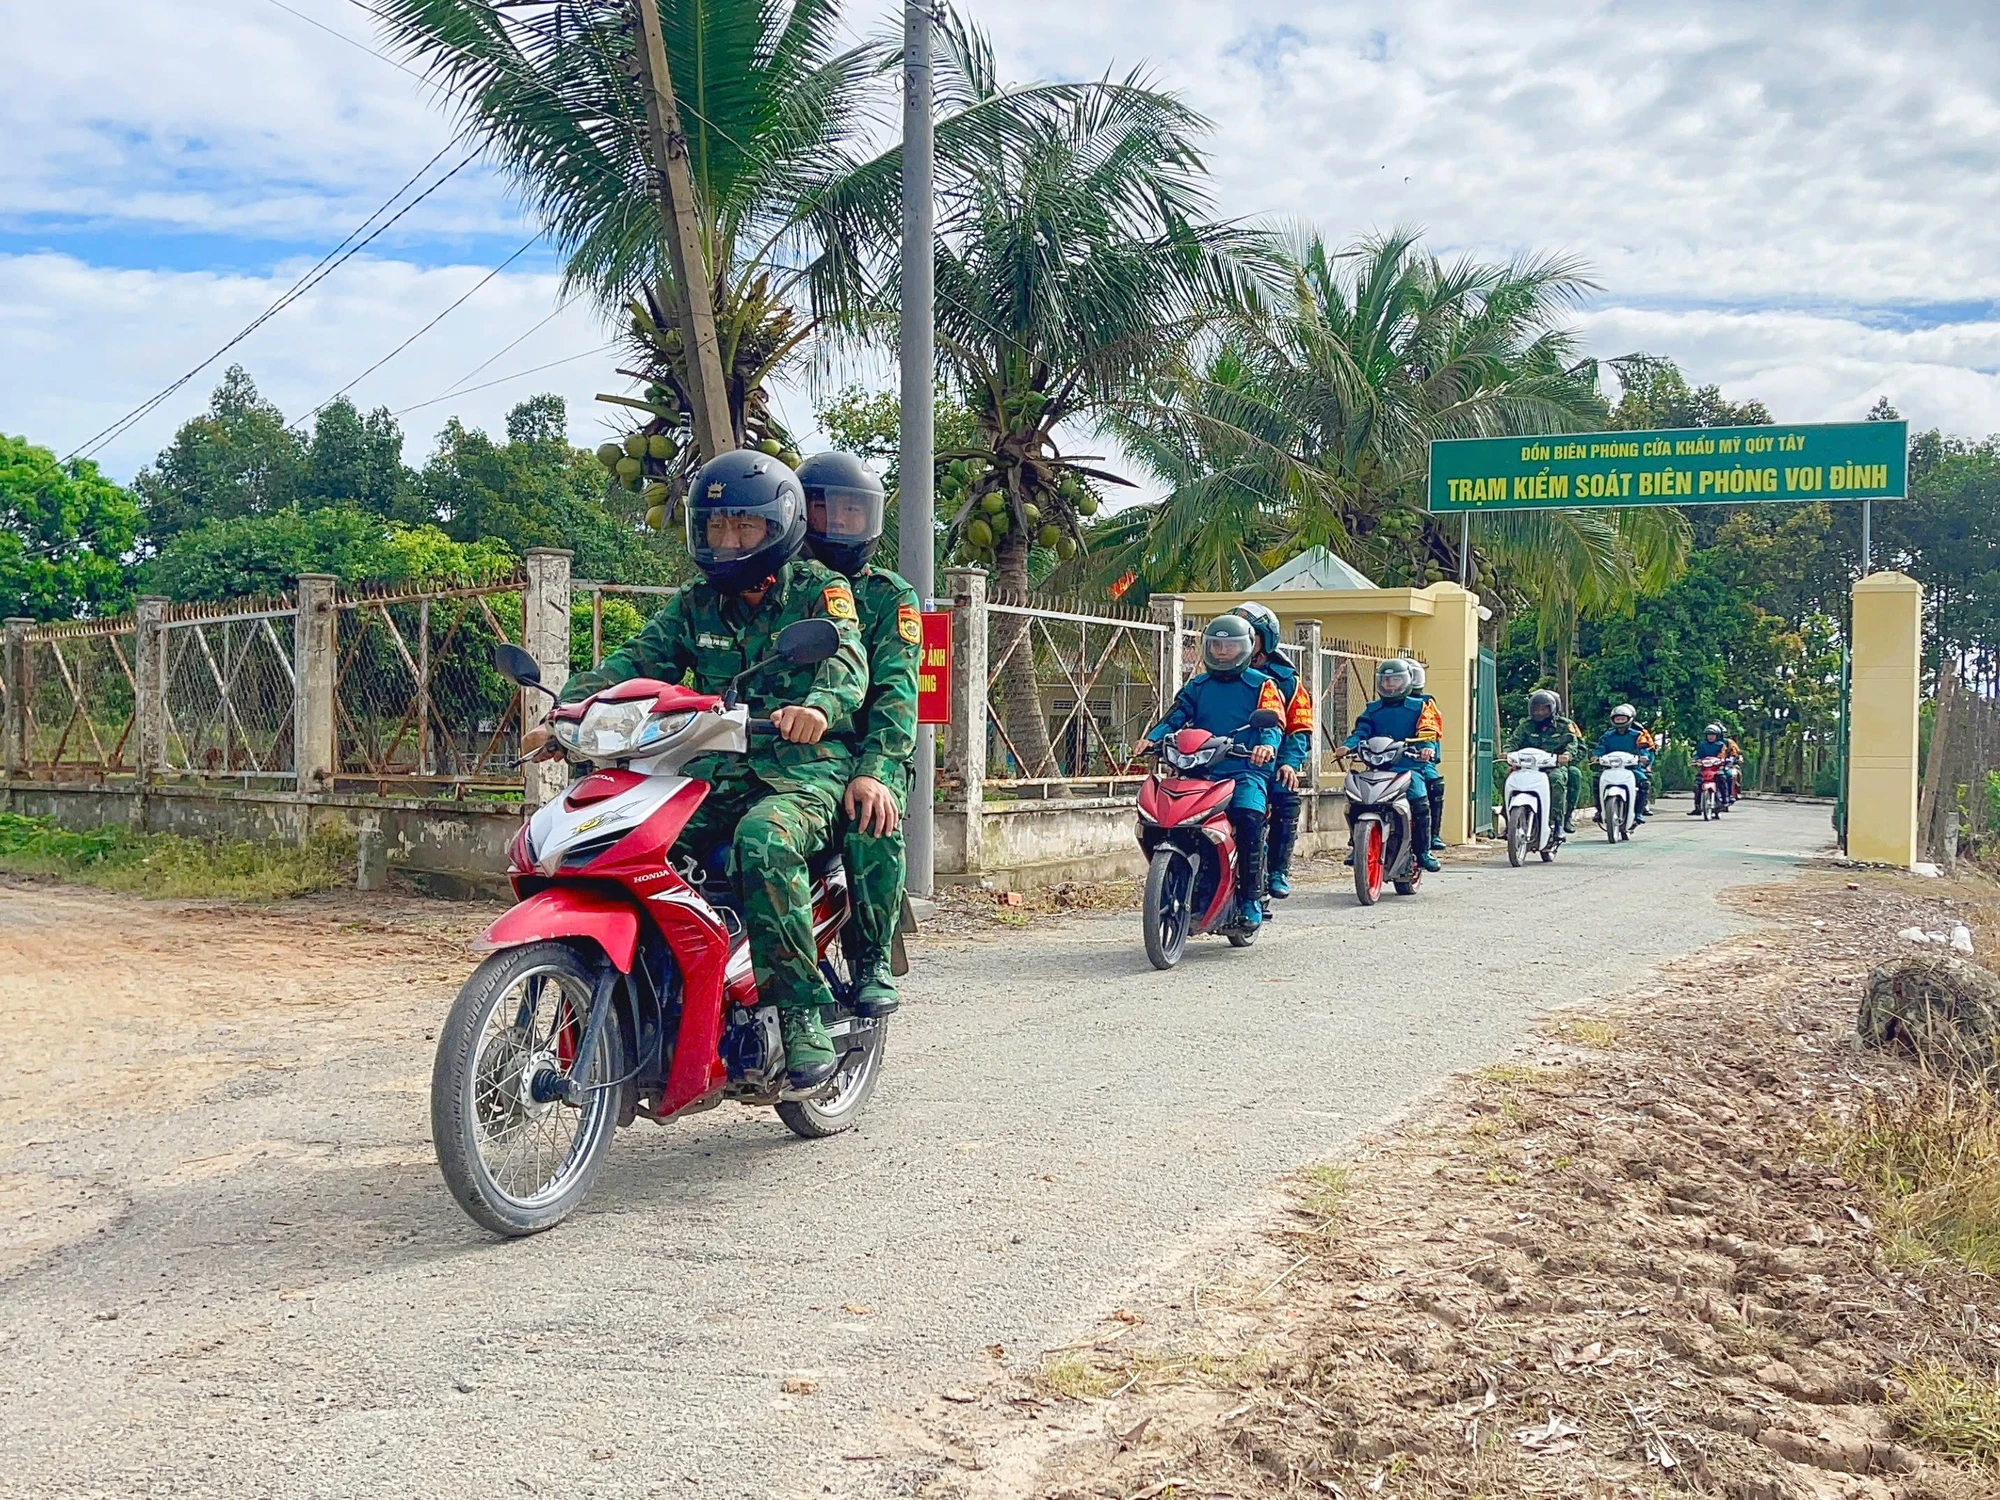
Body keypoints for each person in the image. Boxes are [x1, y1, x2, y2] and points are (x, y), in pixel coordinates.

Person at [538, 450, 869, 1088]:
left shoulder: (817, 589)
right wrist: (569, 714)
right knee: (624, 840)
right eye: (715, 527)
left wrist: (818, 707)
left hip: (802, 768)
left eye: (743, 526)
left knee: (763, 840)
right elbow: (638, 658)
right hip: (717, 770)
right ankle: (660, 992)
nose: (728, 540)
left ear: (778, 526)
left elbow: (846, 661)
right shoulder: (696, 602)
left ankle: (798, 1011)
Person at [797, 452, 918, 1018]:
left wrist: (876, 769)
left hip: (866, 751)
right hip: (782, 750)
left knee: (871, 816)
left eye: (850, 513)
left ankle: (870, 957)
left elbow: (896, 692)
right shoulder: (775, 583)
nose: (837, 524)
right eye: (823, 511)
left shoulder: (888, 595)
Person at [1134, 615, 1285, 929]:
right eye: (1215, 645)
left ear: (1245, 649)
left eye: (1229, 647)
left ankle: (1250, 898)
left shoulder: (1263, 685)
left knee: (1247, 816)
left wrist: (1266, 746)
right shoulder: (1198, 685)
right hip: (1198, 772)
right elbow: (1176, 716)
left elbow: (1274, 722)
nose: (1221, 652)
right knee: (1164, 818)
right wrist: (1152, 738)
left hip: (1245, 771)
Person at [1230, 602, 1313, 900]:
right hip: (1223, 759)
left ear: (1265, 638)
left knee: (1286, 797)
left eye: (1249, 633)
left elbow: (1300, 729)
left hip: (1271, 761)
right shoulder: (1218, 672)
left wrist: (1289, 762)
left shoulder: (1288, 681)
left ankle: (1278, 869)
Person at [1343, 658, 1443, 873]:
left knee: (1419, 798)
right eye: (1386, 681)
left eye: (1396, 680)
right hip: (1377, 768)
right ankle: (1357, 843)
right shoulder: (1372, 709)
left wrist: (1427, 748)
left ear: (1407, 681)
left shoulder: (1420, 707)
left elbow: (1427, 732)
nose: (1390, 685)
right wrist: (1347, 746)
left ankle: (1423, 851)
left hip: (1409, 767)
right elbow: (1361, 731)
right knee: (1356, 799)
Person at [1509, 689, 1577, 839]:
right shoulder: (1525, 725)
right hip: (1527, 766)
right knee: (1509, 780)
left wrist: (1567, 755)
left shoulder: (1564, 725)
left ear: (1552, 708)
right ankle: (1509, 821)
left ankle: (1557, 823)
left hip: (1552, 766)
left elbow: (1573, 743)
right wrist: (1507, 753)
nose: (1539, 712)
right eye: (1536, 709)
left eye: (1543, 708)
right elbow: (1513, 742)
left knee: (1556, 780)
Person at [1404, 659, 1447, 850]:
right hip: (1389, 758)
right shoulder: (1381, 706)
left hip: (1418, 759)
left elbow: (1430, 731)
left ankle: (1433, 834)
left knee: (1434, 782)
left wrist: (1426, 750)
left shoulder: (1426, 703)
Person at [1594, 703, 1654, 825]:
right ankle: (1600, 811)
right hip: (1611, 768)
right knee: (1596, 780)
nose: (1620, 721)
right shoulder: (1607, 736)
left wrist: (1644, 757)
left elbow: (1644, 749)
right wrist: (1596, 756)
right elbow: (1601, 748)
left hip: (1632, 768)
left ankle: (1638, 813)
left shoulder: (1637, 735)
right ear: (1613, 720)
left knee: (1644, 783)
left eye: (1623, 719)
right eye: (1617, 719)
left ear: (1629, 719)